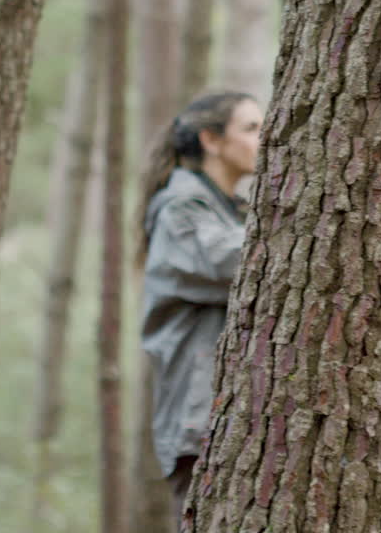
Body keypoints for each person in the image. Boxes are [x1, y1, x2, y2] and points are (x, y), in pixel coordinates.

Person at [137, 90, 263, 526]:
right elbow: (235, 261)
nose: (265, 139)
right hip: (199, 425)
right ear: (211, 139)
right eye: (251, 128)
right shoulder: (180, 209)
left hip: (235, 421)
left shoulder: (234, 210)